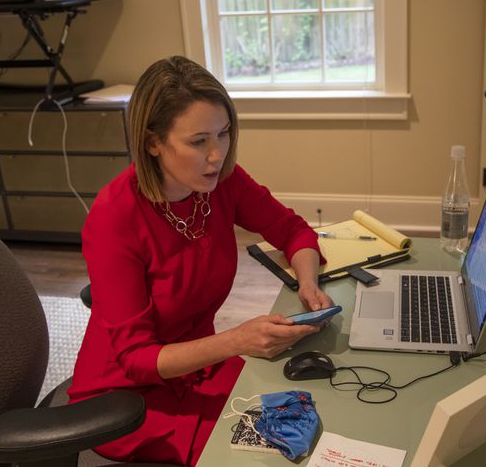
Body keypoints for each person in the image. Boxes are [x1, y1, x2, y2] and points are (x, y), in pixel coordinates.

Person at [67, 56, 334, 465]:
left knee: (314, 414)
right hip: (124, 399)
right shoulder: (114, 216)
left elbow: (293, 231)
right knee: (263, 455)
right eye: (199, 142)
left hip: (196, 364)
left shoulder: (219, 181)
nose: (217, 155)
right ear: (153, 142)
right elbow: (137, 360)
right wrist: (239, 340)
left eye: (223, 134)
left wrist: (308, 283)